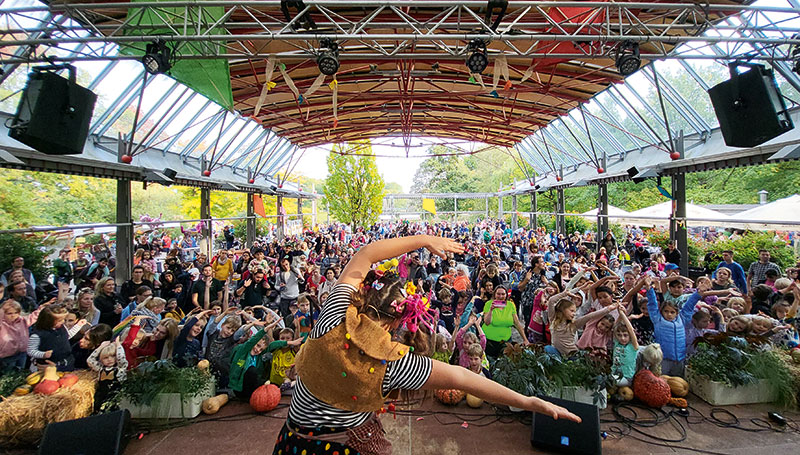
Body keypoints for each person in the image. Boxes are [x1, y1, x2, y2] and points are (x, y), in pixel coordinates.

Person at [276, 235, 579, 455]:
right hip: (337, 448)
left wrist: (424, 239)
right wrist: (527, 401)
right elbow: (462, 378)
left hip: (292, 441)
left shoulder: (335, 315)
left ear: (367, 298)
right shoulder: (393, 363)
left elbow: (366, 254)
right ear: (399, 322)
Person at [645, 276, 701, 377]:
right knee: (661, 382)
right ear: (661, 312)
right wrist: (649, 289)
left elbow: (689, 306)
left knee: (677, 384)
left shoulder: (682, 319)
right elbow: (652, 304)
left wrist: (698, 294)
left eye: (672, 312)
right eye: (666, 311)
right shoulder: (658, 319)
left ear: (676, 312)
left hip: (680, 359)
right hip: (663, 359)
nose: (669, 314)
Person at [482, 285, 529, 358]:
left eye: (503, 294)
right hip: (490, 341)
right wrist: (491, 310)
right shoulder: (489, 304)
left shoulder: (510, 305)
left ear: (506, 295)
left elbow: (517, 323)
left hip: (506, 341)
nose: (500, 296)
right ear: (494, 294)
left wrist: (525, 339)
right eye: (498, 294)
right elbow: (487, 322)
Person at [0, 300, 44, 371]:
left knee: (21, 371)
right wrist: (2, 309)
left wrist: (42, 308)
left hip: (22, 353)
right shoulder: (2, 324)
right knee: (8, 374)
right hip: (7, 356)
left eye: (16, 313)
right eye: (9, 313)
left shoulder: (22, 321)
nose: (13, 315)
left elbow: (33, 317)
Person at [28, 305, 75, 371]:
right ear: (48, 321)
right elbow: (30, 351)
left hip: (63, 362)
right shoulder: (38, 335)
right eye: (59, 320)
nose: (63, 322)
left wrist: (78, 326)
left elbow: (67, 336)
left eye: (63, 319)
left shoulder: (62, 328)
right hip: (45, 366)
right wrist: (43, 354)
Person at [87, 340, 128, 413]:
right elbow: (90, 360)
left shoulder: (120, 369)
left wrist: (118, 345)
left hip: (113, 399)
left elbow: (121, 358)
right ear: (101, 359)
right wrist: (101, 347)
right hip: (100, 398)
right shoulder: (100, 369)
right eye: (106, 358)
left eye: (112, 356)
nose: (109, 359)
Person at [611, 310, 639, 387]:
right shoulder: (617, 343)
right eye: (619, 335)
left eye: (625, 335)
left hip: (626, 377)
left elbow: (630, 329)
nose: (622, 338)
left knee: (610, 381)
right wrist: (619, 312)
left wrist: (623, 314)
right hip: (614, 373)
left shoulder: (633, 346)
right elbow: (615, 327)